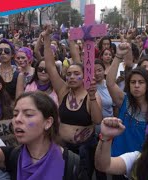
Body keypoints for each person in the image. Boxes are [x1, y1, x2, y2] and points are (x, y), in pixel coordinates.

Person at [43, 25, 103, 179]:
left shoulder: (92, 95)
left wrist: (92, 97)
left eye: (76, 74)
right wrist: (47, 38)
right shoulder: (63, 91)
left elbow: (97, 121)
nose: (71, 77)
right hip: (62, 148)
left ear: (84, 77)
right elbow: (50, 66)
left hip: (85, 150)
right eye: (69, 74)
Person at [106, 42, 148, 158]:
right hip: (119, 160)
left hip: (144, 163)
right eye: (133, 82)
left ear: (147, 85)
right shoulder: (124, 100)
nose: (136, 85)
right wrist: (118, 56)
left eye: (141, 82)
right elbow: (110, 83)